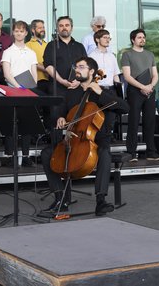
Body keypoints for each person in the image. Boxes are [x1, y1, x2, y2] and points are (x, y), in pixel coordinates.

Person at [40, 56, 129, 216]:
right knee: (47, 153)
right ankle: (61, 198)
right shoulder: (72, 94)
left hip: (98, 139)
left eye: (81, 67)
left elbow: (124, 107)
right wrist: (61, 118)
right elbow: (63, 113)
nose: (77, 70)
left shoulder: (104, 92)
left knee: (104, 154)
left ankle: (101, 201)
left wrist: (100, 92)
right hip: (74, 137)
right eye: (77, 67)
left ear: (92, 71)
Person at [121, 28, 159, 161]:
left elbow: (155, 75)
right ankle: (131, 153)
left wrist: (150, 86)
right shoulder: (127, 55)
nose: (142, 39)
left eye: (143, 37)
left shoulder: (150, 55)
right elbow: (127, 76)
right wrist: (142, 87)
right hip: (134, 91)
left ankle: (151, 152)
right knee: (133, 121)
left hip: (149, 91)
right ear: (133, 39)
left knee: (150, 122)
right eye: (139, 37)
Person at [1, 20, 38, 167]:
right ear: (13, 33)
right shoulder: (8, 51)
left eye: (22, 31)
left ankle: (26, 155)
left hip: (27, 92)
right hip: (12, 91)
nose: (19, 33)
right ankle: (10, 156)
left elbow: (34, 72)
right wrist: (18, 87)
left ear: (26, 33)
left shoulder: (31, 52)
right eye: (16, 31)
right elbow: (6, 74)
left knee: (27, 125)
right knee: (11, 124)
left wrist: (30, 88)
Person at [43, 16, 87, 94]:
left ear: (71, 28)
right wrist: (61, 81)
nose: (64, 28)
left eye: (67, 25)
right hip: (57, 88)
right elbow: (48, 66)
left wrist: (79, 81)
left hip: (77, 88)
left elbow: (85, 66)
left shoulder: (79, 46)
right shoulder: (51, 45)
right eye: (61, 26)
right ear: (57, 29)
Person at [26, 19, 50, 94]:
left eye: (43, 27)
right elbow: (31, 62)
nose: (42, 30)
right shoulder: (28, 45)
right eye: (40, 28)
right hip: (36, 81)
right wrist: (47, 69)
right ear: (33, 30)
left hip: (49, 80)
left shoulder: (48, 45)